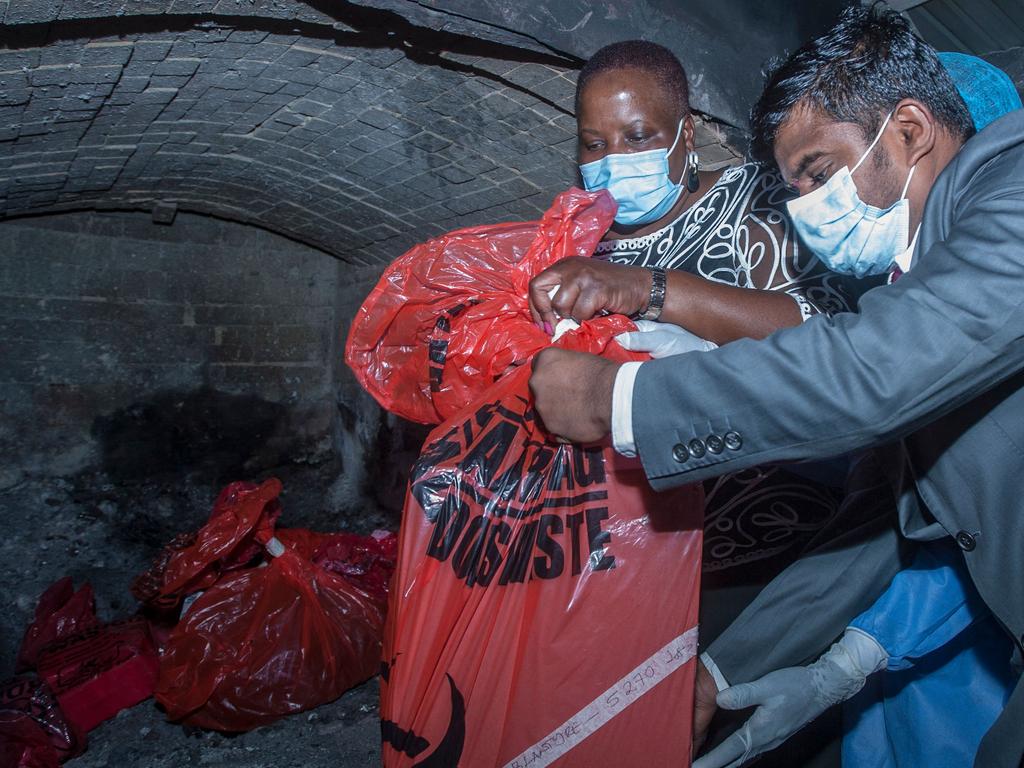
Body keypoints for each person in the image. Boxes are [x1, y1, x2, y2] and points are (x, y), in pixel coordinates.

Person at [528, 5, 1024, 767]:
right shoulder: (915, 285)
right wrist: (731, 672)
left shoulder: (1015, 180)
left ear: (911, 131)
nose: (807, 209)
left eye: (819, 173)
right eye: (794, 187)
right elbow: (886, 525)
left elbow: (870, 373)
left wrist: (620, 401)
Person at [533, 40, 858, 580]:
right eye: (593, 144)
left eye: (637, 137)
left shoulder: (760, 199)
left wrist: (647, 289)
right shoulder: (582, 249)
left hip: (791, 554)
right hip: (647, 571)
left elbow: (829, 335)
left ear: (686, 134)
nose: (614, 159)